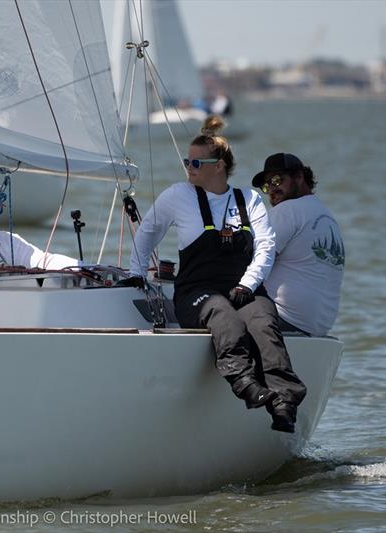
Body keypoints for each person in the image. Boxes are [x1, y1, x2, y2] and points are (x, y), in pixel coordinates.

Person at [128, 116, 306, 433]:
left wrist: (247, 285)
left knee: (265, 322)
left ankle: (283, 404)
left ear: (219, 166)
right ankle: (246, 385)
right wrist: (136, 272)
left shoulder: (249, 200)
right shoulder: (177, 196)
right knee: (226, 319)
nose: (189, 167)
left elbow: (266, 246)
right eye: (187, 161)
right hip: (196, 292)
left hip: (243, 289)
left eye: (196, 162)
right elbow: (147, 233)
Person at [252, 153, 345, 337]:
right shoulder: (326, 216)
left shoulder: (287, 210)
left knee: (188, 306)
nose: (271, 189)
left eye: (277, 180)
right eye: (267, 185)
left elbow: (249, 262)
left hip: (282, 320)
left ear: (299, 177)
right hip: (317, 328)